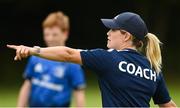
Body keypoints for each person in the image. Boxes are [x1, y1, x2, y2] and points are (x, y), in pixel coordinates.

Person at [7, 12, 177, 107]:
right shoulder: (152, 69)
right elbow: (168, 106)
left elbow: (68, 54)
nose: (108, 33)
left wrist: (32, 50)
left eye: (113, 29)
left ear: (126, 35)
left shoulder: (109, 59)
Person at [15, 11, 86, 107]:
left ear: (65, 34)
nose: (50, 38)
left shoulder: (72, 63)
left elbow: (79, 94)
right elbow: (27, 85)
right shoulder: (35, 58)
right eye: (47, 34)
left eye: (54, 34)